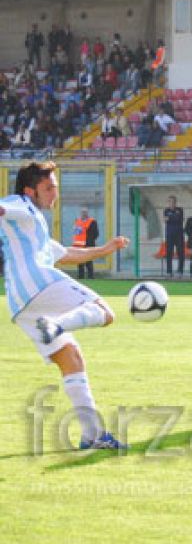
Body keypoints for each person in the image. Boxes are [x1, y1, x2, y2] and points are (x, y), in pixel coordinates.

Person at [0, 162, 128, 449]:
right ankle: (57, 324)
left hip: (20, 303)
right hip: (38, 283)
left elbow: (67, 253)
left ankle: (91, 435)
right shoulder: (19, 204)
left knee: (71, 357)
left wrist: (106, 249)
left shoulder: (34, 226)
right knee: (104, 312)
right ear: (29, 190)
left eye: (55, 187)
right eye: (49, 188)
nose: (55, 193)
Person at [72, 207, 99, 279]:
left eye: (85, 212)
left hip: (88, 244)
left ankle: (90, 277)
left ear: (87, 213)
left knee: (89, 261)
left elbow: (96, 234)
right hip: (78, 245)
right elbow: (75, 233)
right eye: (82, 212)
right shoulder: (77, 221)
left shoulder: (92, 222)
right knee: (80, 262)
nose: (84, 214)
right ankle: (81, 277)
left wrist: (90, 241)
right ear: (80, 213)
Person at [163, 195, 185, 278]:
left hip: (179, 235)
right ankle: (169, 271)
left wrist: (170, 218)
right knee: (169, 253)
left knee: (180, 253)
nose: (171, 203)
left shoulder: (180, 210)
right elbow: (165, 220)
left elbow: (179, 220)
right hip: (169, 235)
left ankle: (180, 271)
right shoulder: (166, 210)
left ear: (175, 202)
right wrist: (173, 217)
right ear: (168, 203)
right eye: (170, 201)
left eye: (173, 201)